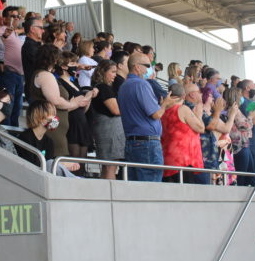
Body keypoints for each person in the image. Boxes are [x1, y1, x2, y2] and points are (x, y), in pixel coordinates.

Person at [117, 52, 180, 182]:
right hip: (147, 143)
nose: (149, 69)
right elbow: (156, 114)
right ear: (137, 67)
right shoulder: (141, 85)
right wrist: (165, 105)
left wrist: (163, 106)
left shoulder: (124, 86)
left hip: (131, 142)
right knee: (151, 188)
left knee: (134, 186)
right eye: (147, 65)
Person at [28, 44, 91, 157]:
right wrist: (74, 103)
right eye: (58, 57)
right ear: (52, 58)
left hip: (57, 128)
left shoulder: (45, 74)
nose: (59, 60)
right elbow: (56, 100)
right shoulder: (45, 75)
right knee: (59, 161)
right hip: (52, 129)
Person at [16, 101, 80, 174]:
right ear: (40, 117)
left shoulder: (48, 141)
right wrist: (62, 164)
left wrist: (62, 164)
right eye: (52, 115)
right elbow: (30, 167)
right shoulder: (25, 139)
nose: (55, 118)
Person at [161, 83, 206, 184]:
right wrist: (198, 115)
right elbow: (201, 128)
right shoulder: (182, 109)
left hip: (167, 161)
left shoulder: (162, 111)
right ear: (183, 96)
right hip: (183, 161)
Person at [88, 60, 126, 179]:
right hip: (109, 132)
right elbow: (116, 110)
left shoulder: (101, 87)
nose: (115, 75)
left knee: (108, 166)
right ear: (103, 72)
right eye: (113, 72)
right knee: (111, 166)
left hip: (107, 130)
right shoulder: (103, 88)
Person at [0, 6, 24, 127]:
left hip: (18, 76)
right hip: (8, 74)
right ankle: (6, 134)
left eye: (17, 16)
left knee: (16, 109)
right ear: (4, 18)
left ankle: (13, 137)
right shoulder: (2, 30)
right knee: (8, 107)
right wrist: (4, 36)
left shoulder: (14, 33)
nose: (16, 18)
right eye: (12, 16)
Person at [21, 16, 44, 101]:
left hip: (37, 89)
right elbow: (43, 64)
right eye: (40, 28)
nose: (43, 30)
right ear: (32, 29)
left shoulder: (36, 45)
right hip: (35, 91)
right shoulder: (29, 46)